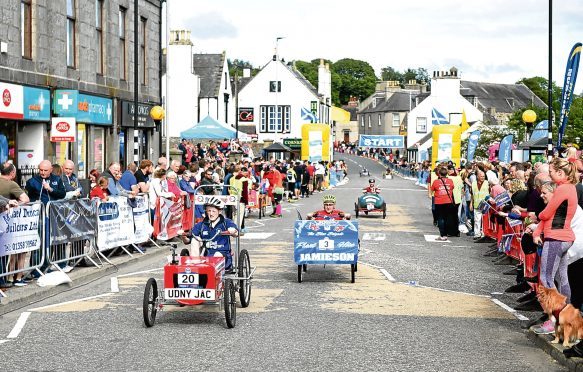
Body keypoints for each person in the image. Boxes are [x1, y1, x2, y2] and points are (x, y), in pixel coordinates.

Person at [531, 158, 578, 335]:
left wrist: (538, 217)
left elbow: (547, 212)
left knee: (546, 278)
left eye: (551, 172)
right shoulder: (570, 188)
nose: (549, 175)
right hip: (564, 237)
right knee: (561, 277)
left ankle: (558, 319)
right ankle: (568, 317)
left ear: (560, 173)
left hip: (556, 237)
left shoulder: (563, 188)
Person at [191, 196, 239, 270]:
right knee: (194, 240)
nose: (211, 214)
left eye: (213, 211)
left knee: (217, 255)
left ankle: (210, 271)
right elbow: (189, 238)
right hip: (206, 257)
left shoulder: (226, 222)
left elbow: (236, 233)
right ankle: (194, 267)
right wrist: (183, 236)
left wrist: (233, 231)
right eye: (209, 211)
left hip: (223, 256)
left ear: (219, 211)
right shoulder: (202, 224)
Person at [430, 166, 455, 241]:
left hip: (439, 202)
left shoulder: (436, 182)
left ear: (439, 174)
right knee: (447, 218)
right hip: (448, 202)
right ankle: (446, 233)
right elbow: (452, 188)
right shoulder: (450, 181)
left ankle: (442, 235)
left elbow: (432, 190)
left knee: (440, 218)